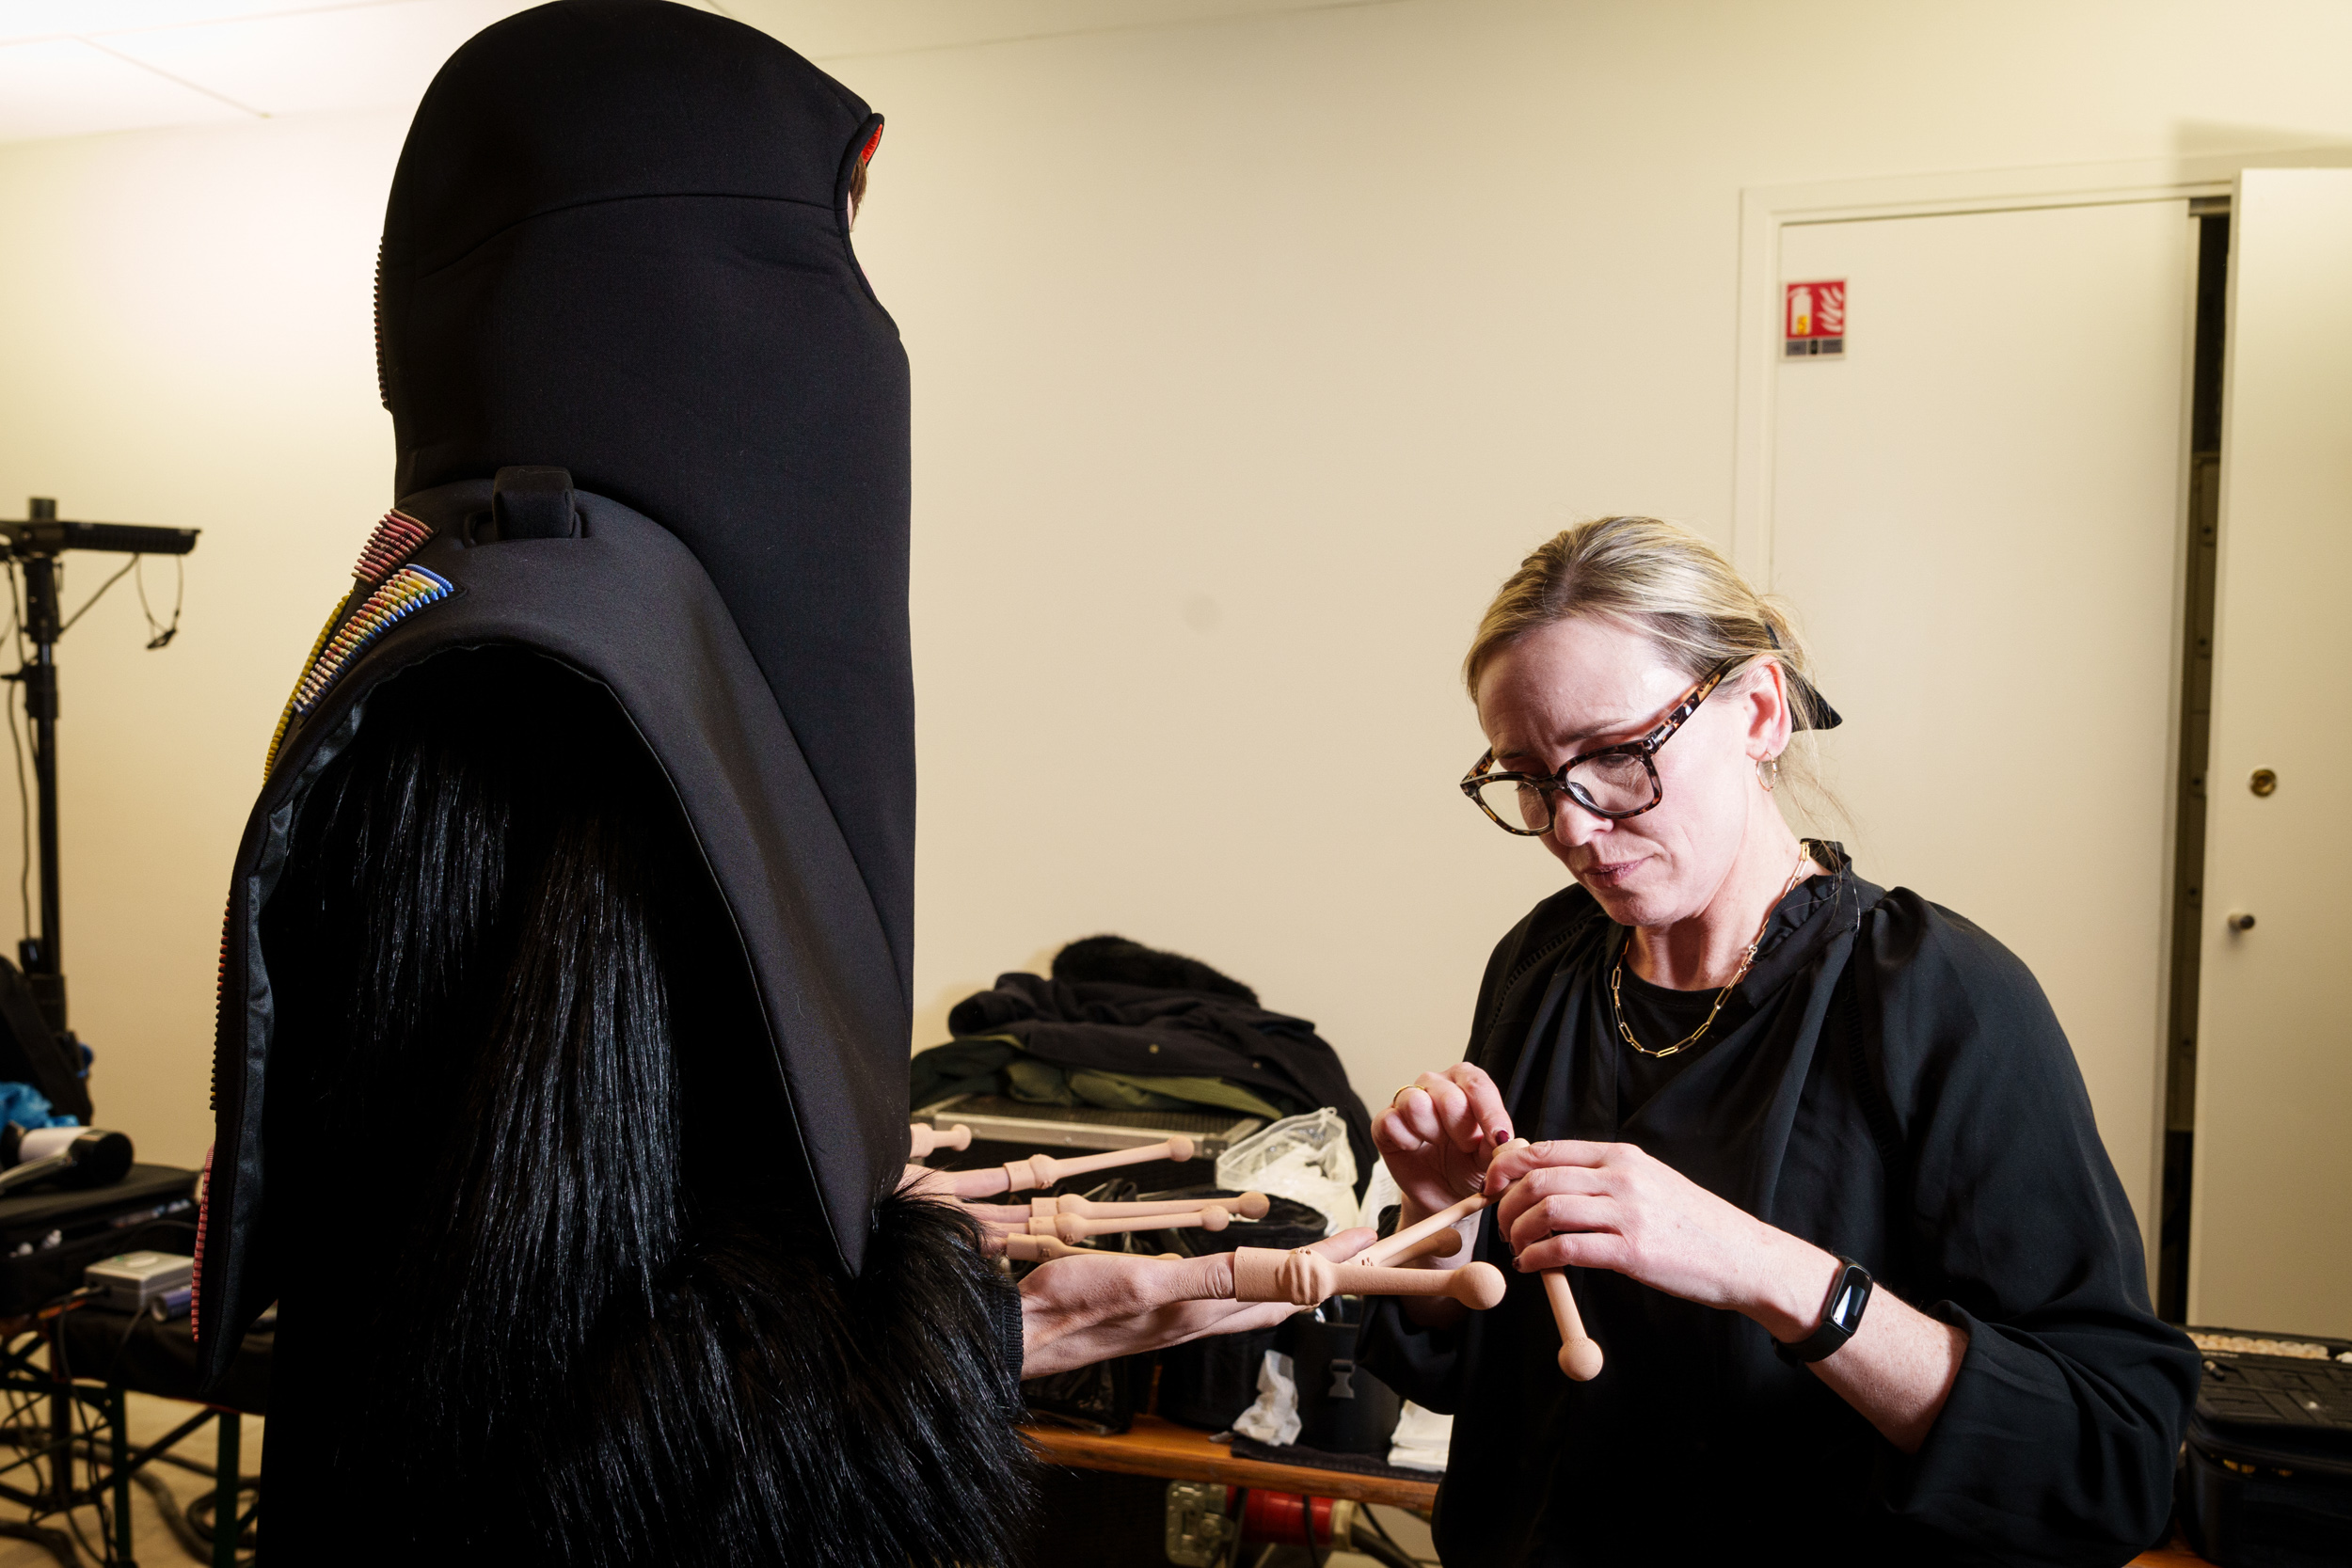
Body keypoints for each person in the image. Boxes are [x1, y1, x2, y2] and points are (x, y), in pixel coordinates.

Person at [192, 6, 1367, 1562]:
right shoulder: (555, 695)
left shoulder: (517, 625)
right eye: (829, 250)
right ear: (658, 284)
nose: (863, 327)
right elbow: (550, 1439)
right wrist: (976, 1322)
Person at [1359, 515, 2197, 1565]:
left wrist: (1762, 1267)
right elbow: (1465, 1378)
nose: (1571, 826)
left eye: (1615, 757)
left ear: (1757, 710)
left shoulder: (1944, 998)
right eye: (1528, 776)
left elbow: (2107, 1463)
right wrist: (1438, 1225)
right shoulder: (1543, 963)